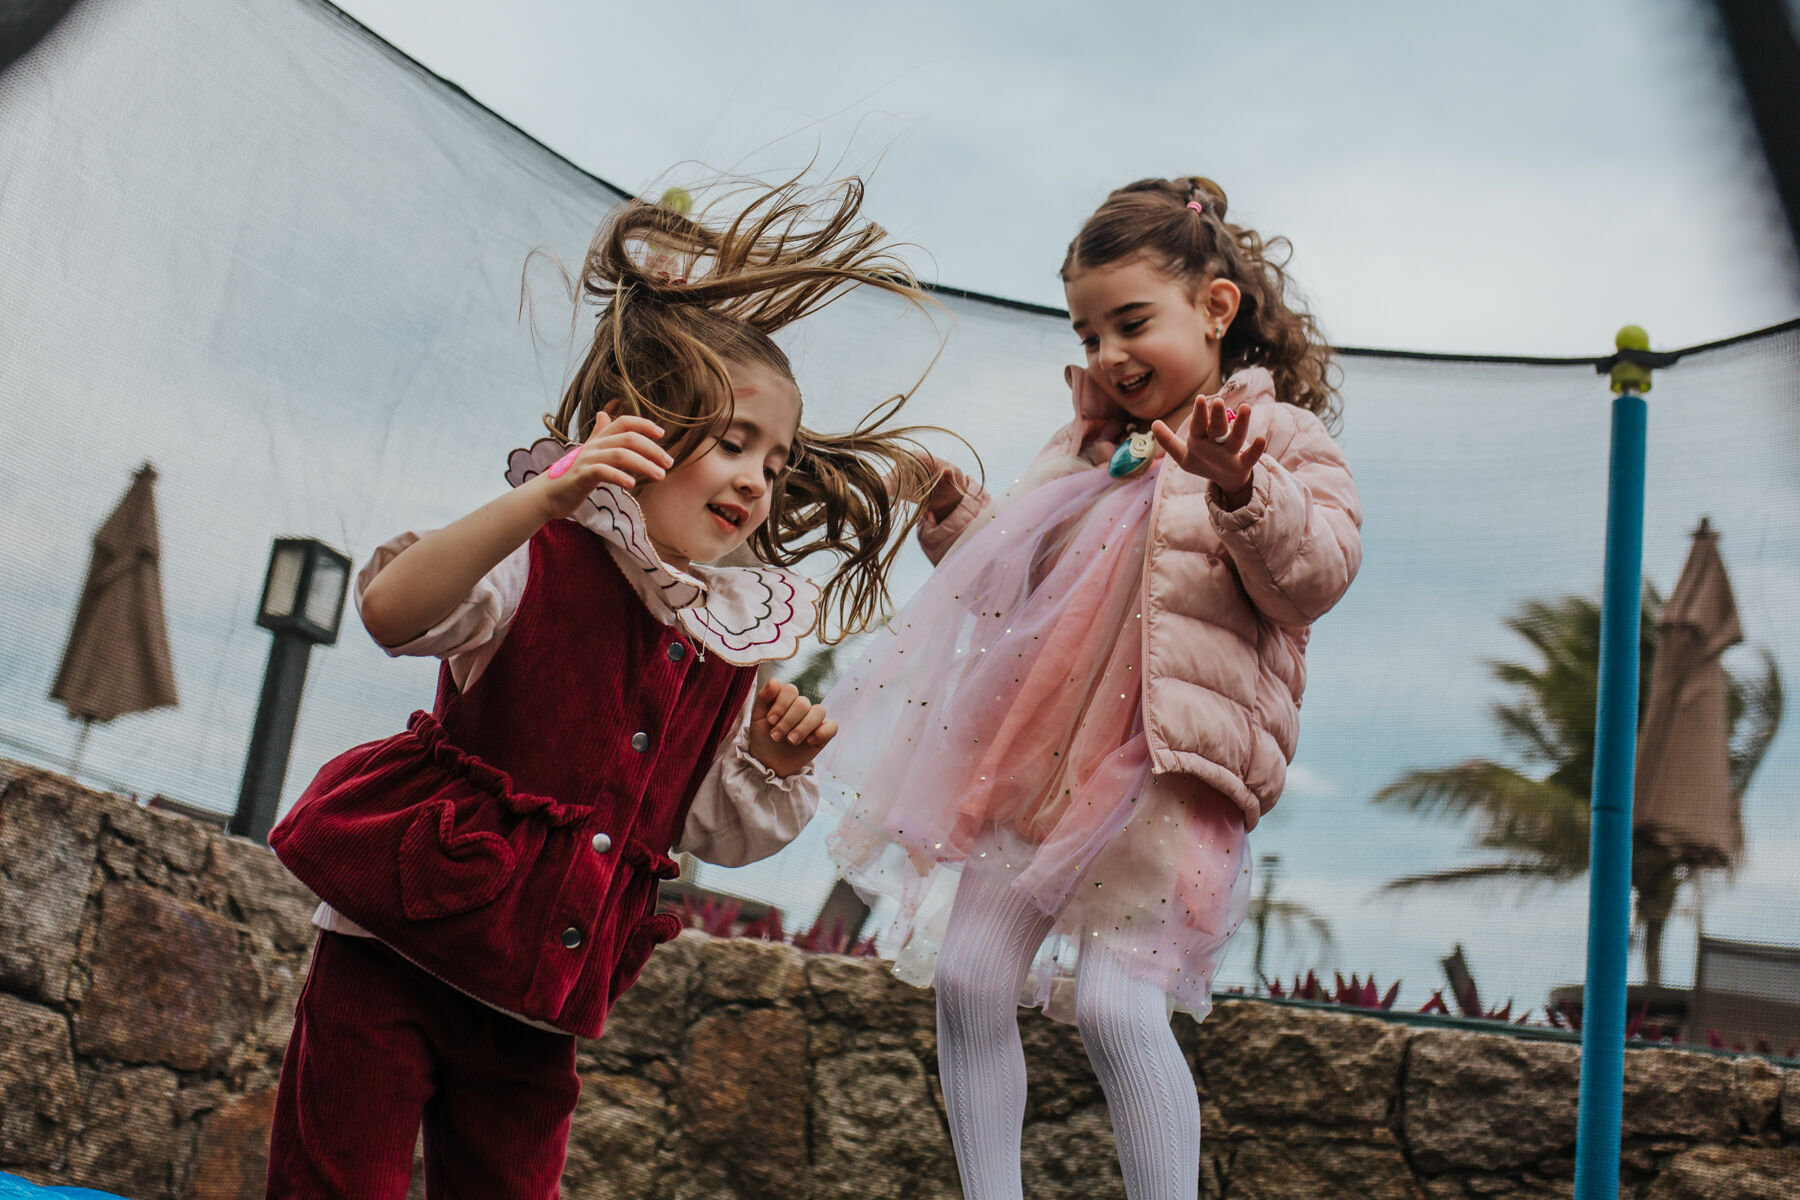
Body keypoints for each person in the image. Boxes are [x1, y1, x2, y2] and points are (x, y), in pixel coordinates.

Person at [264, 176, 937, 1199]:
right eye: (732, 442)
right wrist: (545, 495)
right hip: (396, 949)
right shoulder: (542, 556)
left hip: (539, 1003)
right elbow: (395, 611)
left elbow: (710, 831)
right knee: (334, 1183)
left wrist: (771, 763)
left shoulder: (726, 642)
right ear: (636, 433)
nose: (756, 479)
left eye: (775, 462)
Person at [817, 176, 1363, 1200]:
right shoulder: (1087, 444)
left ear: (1215, 307)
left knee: (1119, 1010)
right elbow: (1020, 579)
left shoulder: (1283, 441)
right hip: (1039, 756)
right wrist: (957, 519)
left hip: (1169, 771)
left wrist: (1242, 484)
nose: (1109, 353)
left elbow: (1314, 577)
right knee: (970, 977)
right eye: (1088, 331)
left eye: (1132, 323)